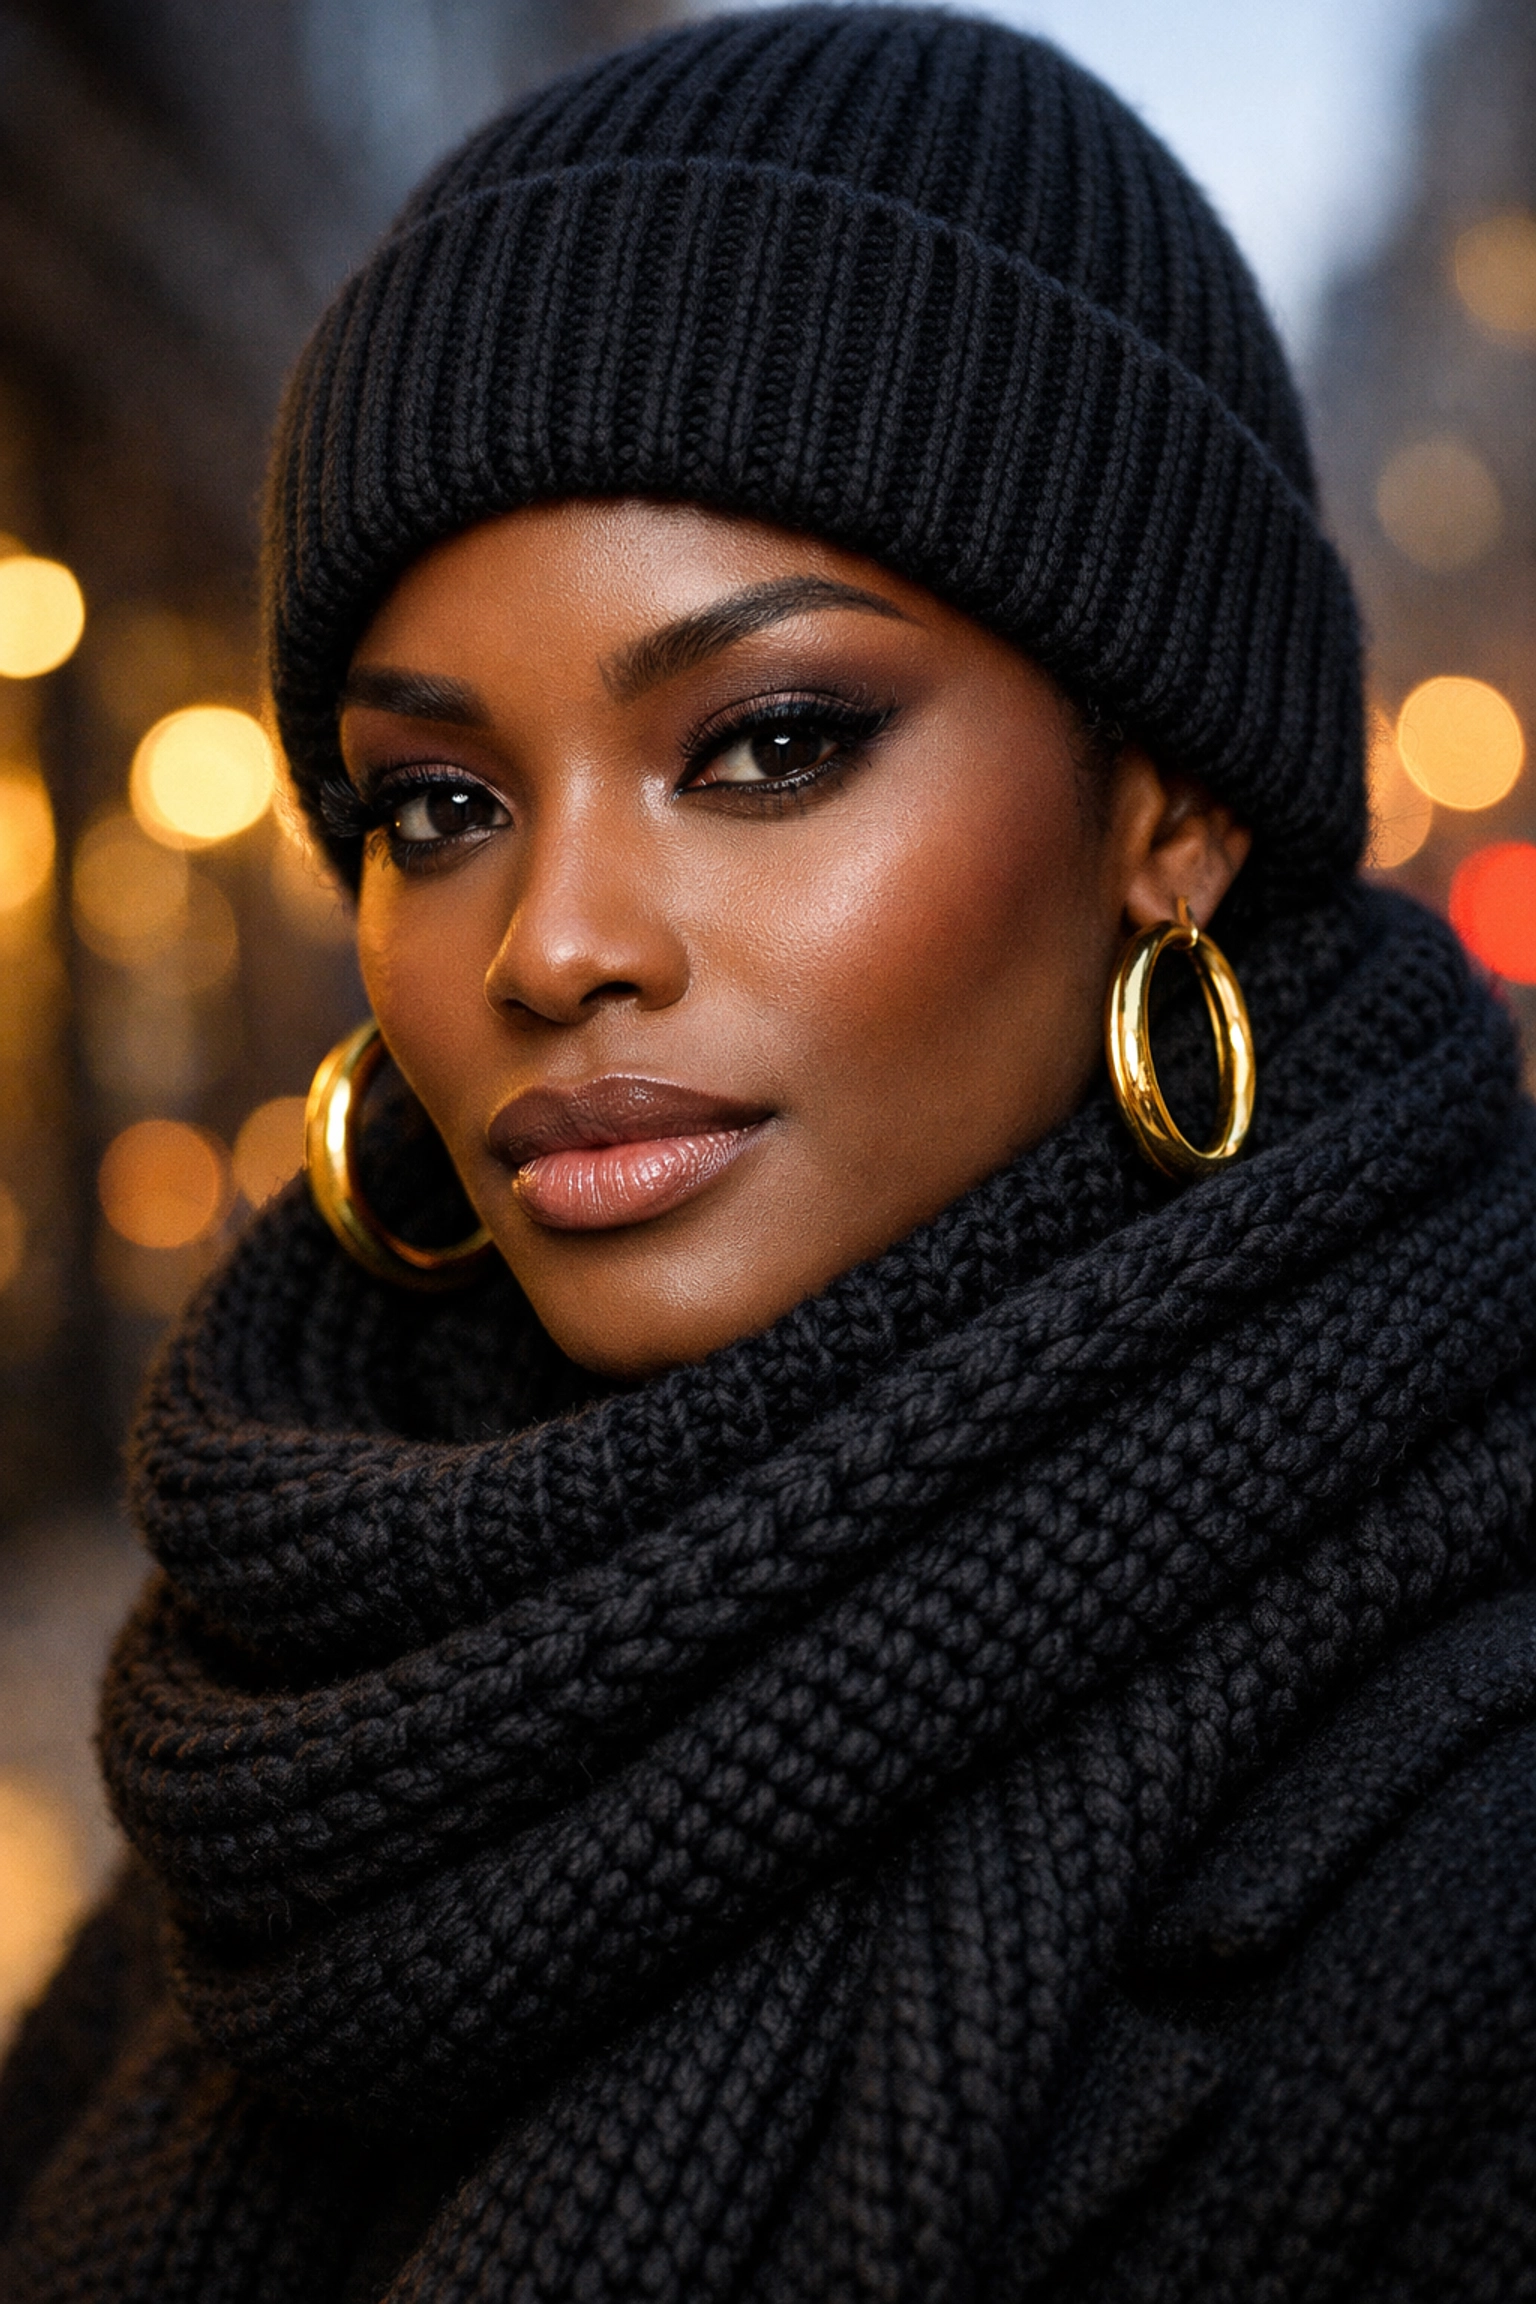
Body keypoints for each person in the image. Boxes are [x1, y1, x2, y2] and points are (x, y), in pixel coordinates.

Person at [3, 8, 1534, 2299]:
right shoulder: (300, 1737)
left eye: (773, 744)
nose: (553, 945)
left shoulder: (1473, 1867)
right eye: (441, 803)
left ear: (1172, 807)